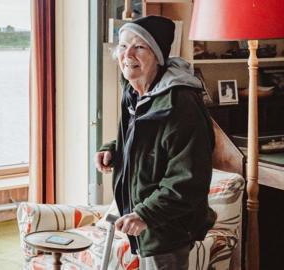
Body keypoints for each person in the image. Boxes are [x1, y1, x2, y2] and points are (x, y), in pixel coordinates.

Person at [95, 15, 216, 270]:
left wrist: (146, 214)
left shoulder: (180, 104)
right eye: (124, 45)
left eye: (139, 47)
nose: (128, 54)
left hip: (167, 227)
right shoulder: (136, 91)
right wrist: (114, 150)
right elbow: (149, 142)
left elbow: (188, 180)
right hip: (145, 218)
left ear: (158, 56)